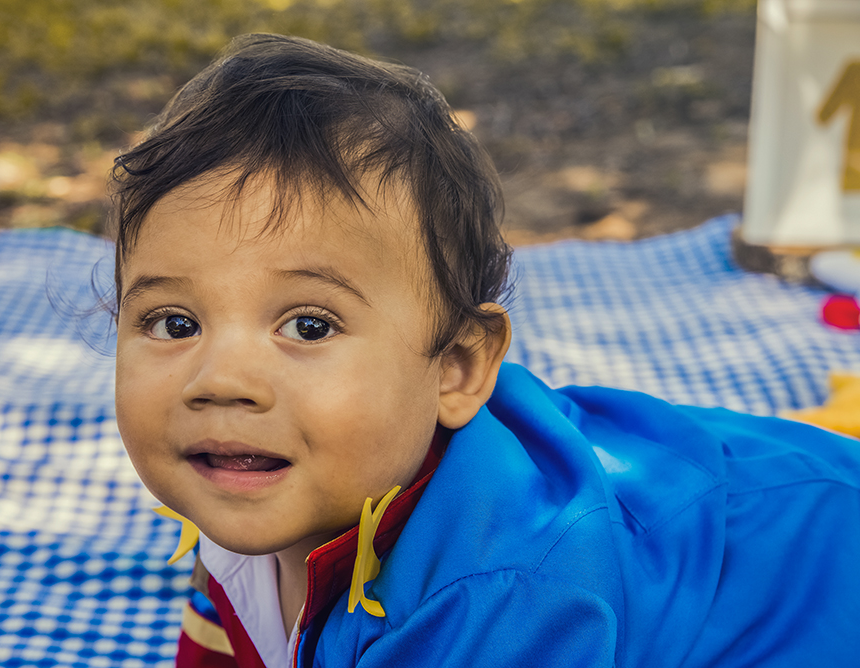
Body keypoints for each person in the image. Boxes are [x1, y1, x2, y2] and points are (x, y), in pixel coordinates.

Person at [110, 33, 860, 668]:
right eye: (175, 323)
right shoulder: (246, 488)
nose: (222, 380)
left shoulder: (500, 600)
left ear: (457, 369)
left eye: (308, 326)